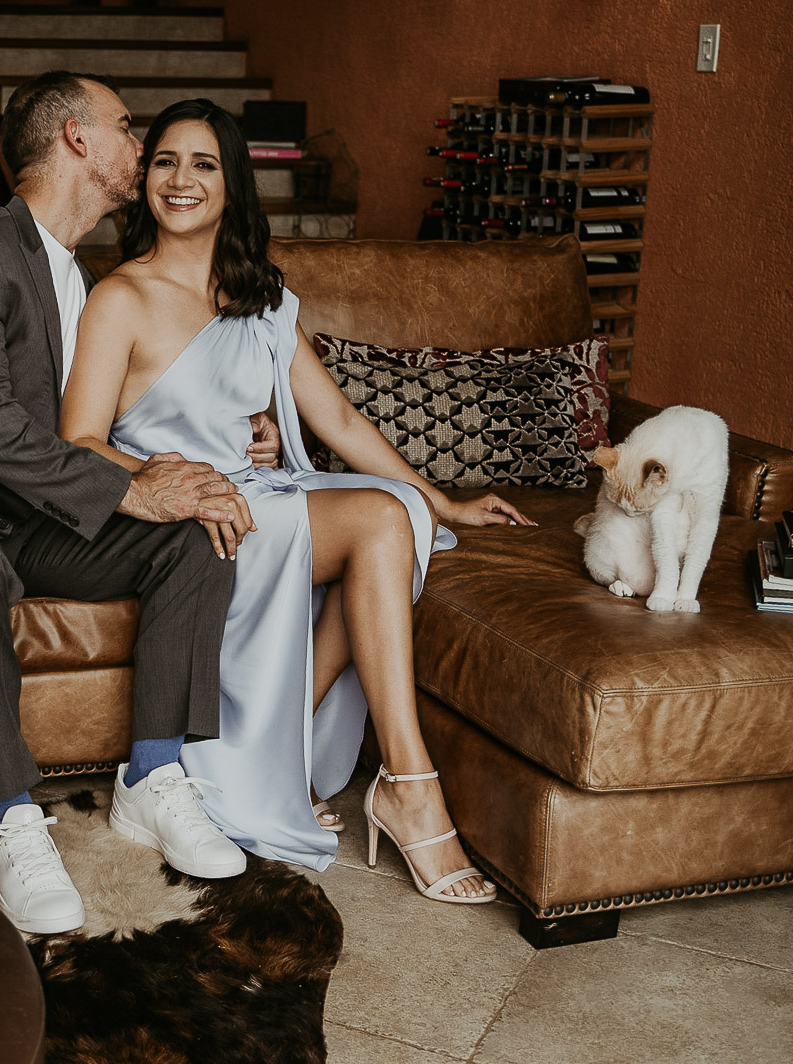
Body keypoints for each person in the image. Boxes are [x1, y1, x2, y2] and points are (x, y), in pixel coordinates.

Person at [59, 99, 534, 902]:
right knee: (381, 520)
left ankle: (340, 761)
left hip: (270, 494)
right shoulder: (121, 298)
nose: (180, 180)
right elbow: (78, 441)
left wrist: (445, 501)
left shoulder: (262, 298)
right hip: (202, 519)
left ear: (232, 184)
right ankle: (410, 786)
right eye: (166, 161)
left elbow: (338, 418)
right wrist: (174, 481)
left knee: (403, 514)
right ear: (145, 181)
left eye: (204, 165)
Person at [0, 73, 280, 935]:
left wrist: (238, 438)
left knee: (197, 534)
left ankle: (153, 775)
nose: (139, 148)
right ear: (78, 139)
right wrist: (131, 487)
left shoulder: (82, 273)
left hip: (25, 514)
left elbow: (107, 413)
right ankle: (11, 816)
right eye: (127, 128)